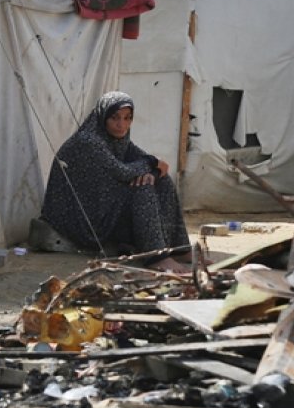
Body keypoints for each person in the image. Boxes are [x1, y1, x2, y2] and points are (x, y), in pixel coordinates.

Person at [40, 91, 190, 272]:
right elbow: (123, 172)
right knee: (142, 188)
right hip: (79, 216)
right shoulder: (89, 141)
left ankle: (176, 247)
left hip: (102, 203)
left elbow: (159, 166)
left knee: (162, 183)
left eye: (127, 118)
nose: (122, 125)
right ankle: (155, 257)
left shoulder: (119, 138)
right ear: (103, 117)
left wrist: (152, 171)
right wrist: (150, 165)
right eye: (115, 118)